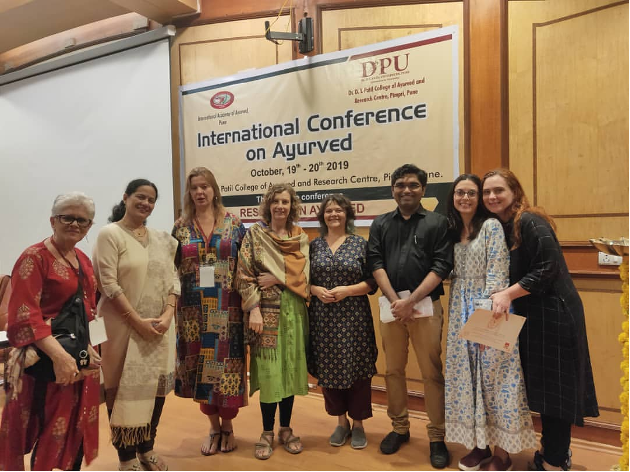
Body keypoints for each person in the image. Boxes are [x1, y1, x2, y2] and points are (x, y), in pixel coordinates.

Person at [482, 169, 599, 472]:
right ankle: (553, 452)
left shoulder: (531, 221)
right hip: (532, 316)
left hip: (555, 314)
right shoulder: (501, 227)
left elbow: (547, 267)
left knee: (556, 389)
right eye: (487, 192)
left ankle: (554, 461)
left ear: (514, 192)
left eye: (499, 190)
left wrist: (507, 294)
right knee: (546, 389)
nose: (492, 197)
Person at [0, 192, 101, 471]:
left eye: (82, 220)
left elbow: (84, 310)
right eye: (67, 217)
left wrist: (87, 348)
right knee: (44, 428)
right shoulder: (34, 257)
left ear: (90, 226)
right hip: (43, 362)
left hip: (74, 358)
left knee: (72, 427)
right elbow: (24, 315)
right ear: (53, 220)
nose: (75, 224)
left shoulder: (82, 258)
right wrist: (60, 357)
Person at [444, 174, 536, 471]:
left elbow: (498, 274)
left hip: (489, 307)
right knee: (467, 379)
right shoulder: (453, 229)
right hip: (459, 307)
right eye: (460, 193)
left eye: (472, 193)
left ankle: (502, 452)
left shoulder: (492, 227)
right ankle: (478, 445)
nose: (465, 198)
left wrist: (486, 321)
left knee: (495, 380)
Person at [367, 163, 453, 468]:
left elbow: (442, 266)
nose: (406, 190)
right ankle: (399, 428)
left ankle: (436, 436)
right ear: (392, 189)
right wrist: (396, 301)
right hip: (392, 308)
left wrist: (412, 300)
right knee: (392, 370)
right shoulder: (380, 223)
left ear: (423, 190)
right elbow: (375, 262)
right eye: (400, 185)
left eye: (413, 185)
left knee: (431, 370)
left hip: (426, 306)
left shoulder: (437, 222)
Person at [92, 179, 180, 472]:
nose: (145, 203)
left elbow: (173, 280)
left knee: (153, 390)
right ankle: (126, 456)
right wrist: (135, 321)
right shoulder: (110, 234)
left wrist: (168, 314)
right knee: (121, 391)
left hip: (158, 328)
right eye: (140, 197)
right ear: (126, 197)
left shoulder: (161, 239)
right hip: (120, 327)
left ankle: (147, 447)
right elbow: (108, 284)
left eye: (151, 200)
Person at [172, 167, 247, 456]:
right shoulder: (180, 227)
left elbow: (247, 266)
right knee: (202, 369)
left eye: (205, 186)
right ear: (189, 193)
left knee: (226, 368)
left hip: (228, 310)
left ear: (214, 189)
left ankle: (228, 427)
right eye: (194, 188)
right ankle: (214, 427)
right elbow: (170, 268)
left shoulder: (234, 224)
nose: (200, 192)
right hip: (193, 313)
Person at [236, 183, 310, 460]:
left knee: (289, 370)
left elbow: (305, 276)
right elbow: (243, 274)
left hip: (294, 311)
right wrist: (253, 309)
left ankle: (286, 429)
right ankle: (267, 431)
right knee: (269, 371)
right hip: (265, 312)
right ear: (268, 205)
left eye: (286, 201)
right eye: (276, 201)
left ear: (292, 206)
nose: (281, 206)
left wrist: (279, 278)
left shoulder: (300, 237)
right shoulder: (254, 235)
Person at [307, 194, 378, 450]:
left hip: (354, 316)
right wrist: (315, 290)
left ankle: (358, 424)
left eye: (338, 210)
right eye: (329, 211)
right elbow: (304, 281)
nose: (333, 214)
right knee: (329, 368)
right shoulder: (313, 246)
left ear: (347, 214)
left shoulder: (360, 243)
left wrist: (347, 290)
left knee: (357, 367)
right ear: (322, 216)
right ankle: (341, 422)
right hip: (322, 318)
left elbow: (372, 282)